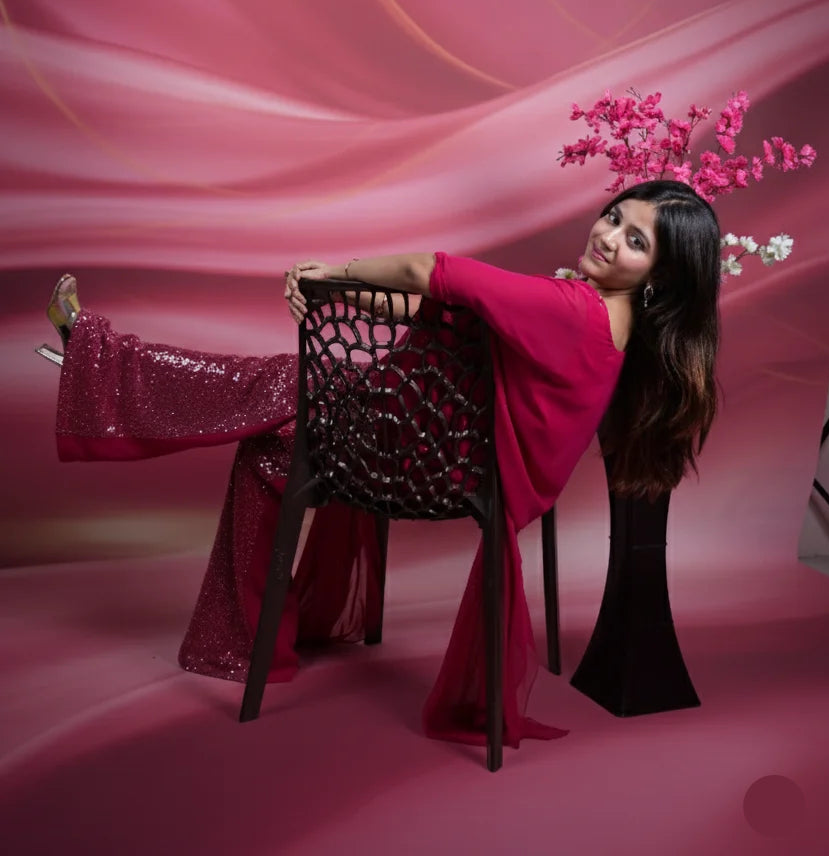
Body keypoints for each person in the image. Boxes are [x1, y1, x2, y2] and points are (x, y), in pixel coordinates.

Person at [40, 179, 721, 747]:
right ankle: (100, 368)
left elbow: (435, 272)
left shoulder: (574, 308)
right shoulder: (612, 324)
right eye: (613, 217)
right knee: (270, 432)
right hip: (444, 447)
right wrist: (341, 291)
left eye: (636, 241)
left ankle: (97, 362)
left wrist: (332, 273)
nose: (607, 236)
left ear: (662, 276)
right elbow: (443, 309)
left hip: (423, 456)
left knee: (275, 389)